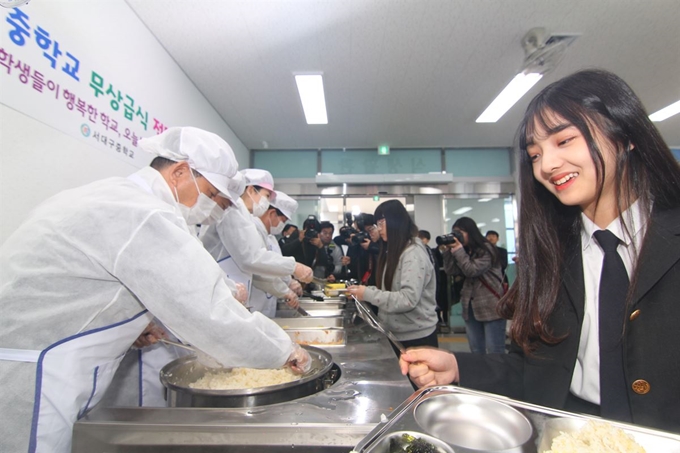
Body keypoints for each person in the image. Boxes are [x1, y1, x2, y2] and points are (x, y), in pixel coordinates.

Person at [399, 69, 680, 433]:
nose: (547, 166)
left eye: (564, 141)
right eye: (535, 154)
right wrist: (457, 367)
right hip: (564, 434)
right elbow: (536, 369)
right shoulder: (552, 254)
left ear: (626, 136)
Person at [0, 127, 312, 453]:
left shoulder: (115, 195)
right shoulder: (143, 212)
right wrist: (284, 350)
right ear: (179, 172)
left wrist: (131, 323)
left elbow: (81, 287)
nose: (214, 206)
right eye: (211, 193)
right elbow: (206, 310)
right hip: (33, 373)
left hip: (38, 361)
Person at [201, 168, 313, 307]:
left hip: (231, 295)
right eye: (266, 195)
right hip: (221, 295)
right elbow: (251, 257)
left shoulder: (244, 215)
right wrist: (294, 267)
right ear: (252, 190)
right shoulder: (234, 209)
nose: (266, 203)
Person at [347, 200, 439, 356]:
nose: (379, 229)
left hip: (416, 338)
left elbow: (407, 300)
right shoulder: (394, 250)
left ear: (396, 222)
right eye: (378, 224)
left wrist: (367, 294)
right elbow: (390, 290)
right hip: (396, 332)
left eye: (382, 223)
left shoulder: (413, 254)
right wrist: (365, 291)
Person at [443, 217, 505, 354]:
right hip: (470, 305)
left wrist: (458, 249)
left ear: (471, 232)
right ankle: (480, 375)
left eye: (460, 232)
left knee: (495, 349)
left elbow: (472, 270)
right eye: (454, 232)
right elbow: (451, 271)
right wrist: (448, 251)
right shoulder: (465, 251)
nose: (457, 236)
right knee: (476, 349)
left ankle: (500, 376)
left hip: (491, 305)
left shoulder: (486, 249)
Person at [250, 191, 304, 317]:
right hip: (254, 302)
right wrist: (285, 290)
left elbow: (276, 265)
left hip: (266, 303)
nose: (282, 225)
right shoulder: (253, 231)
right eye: (283, 221)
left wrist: (289, 281)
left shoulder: (271, 237)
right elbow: (259, 270)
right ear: (272, 213)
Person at [418, 230, 448, 330]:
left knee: (441, 301)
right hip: (427, 285)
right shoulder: (429, 251)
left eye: (423, 239)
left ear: (428, 240)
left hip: (438, 282)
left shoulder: (429, 251)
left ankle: (442, 321)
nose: (420, 241)